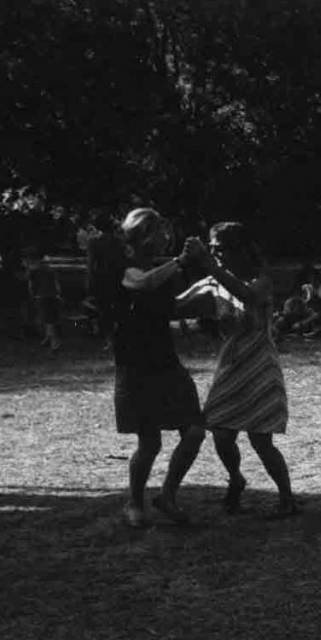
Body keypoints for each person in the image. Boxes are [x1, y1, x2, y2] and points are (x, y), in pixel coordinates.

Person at [179, 222, 296, 518]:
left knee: (261, 439)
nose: (214, 254)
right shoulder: (213, 281)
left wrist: (208, 265)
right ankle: (236, 478)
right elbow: (175, 305)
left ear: (239, 250)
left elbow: (247, 295)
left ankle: (287, 497)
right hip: (231, 364)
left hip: (260, 365)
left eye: (218, 249)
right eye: (211, 249)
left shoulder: (261, 280)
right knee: (220, 432)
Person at [111, 208, 217, 527]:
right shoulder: (122, 265)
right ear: (143, 233)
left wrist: (204, 295)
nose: (165, 238)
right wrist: (180, 262)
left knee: (195, 431)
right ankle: (135, 503)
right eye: (159, 232)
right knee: (150, 442)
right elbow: (140, 284)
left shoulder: (160, 268)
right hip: (136, 363)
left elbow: (166, 305)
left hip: (165, 359)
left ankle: (167, 495)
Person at [24, 247, 63, 351]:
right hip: (53, 294)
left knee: (48, 319)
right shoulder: (48, 268)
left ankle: (54, 341)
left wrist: (32, 294)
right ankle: (48, 337)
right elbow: (55, 282)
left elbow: (31, 284)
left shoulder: (34, 270)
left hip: (42, 295)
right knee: (49, 318)